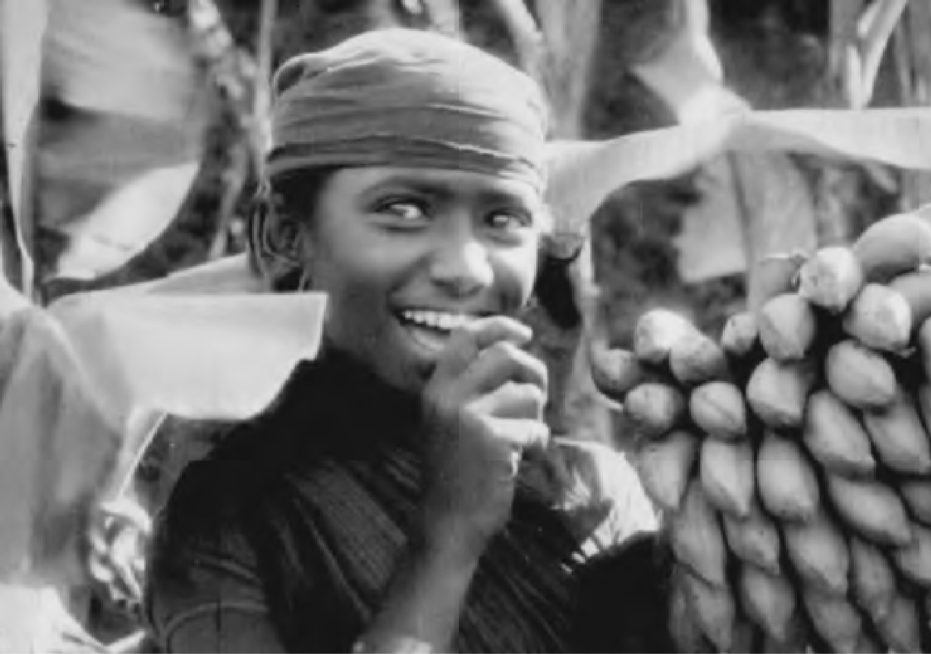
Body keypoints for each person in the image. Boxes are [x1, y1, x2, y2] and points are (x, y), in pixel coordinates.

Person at [144, 28, 667, 653]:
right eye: (404, 209)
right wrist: (449, 535)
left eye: (503, 220)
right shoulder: (229, 527)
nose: (466, 269)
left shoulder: (593, 493)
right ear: (283, 232)